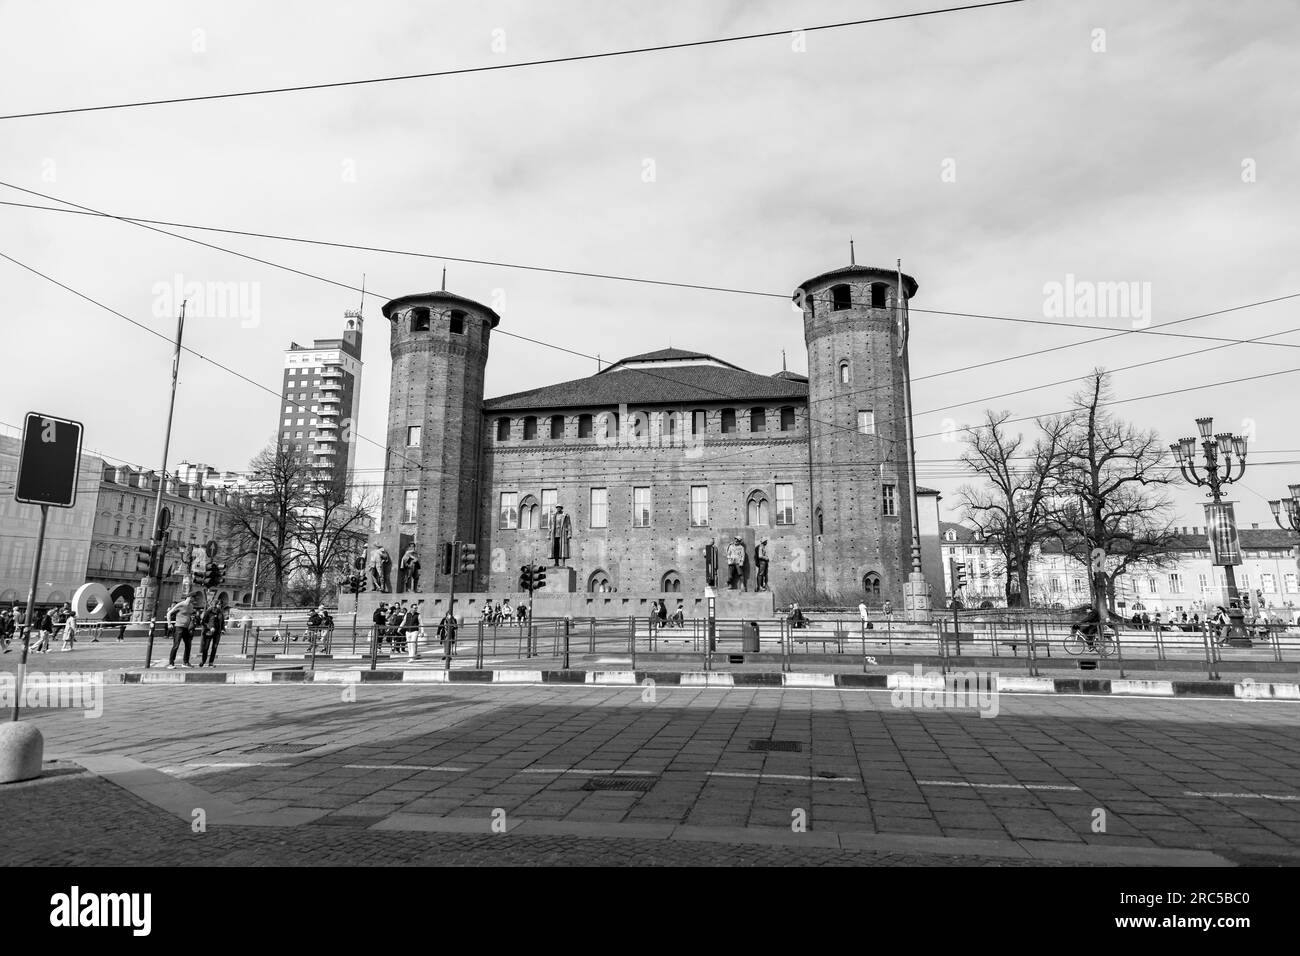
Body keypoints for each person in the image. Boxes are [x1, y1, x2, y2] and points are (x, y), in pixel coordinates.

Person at [165, 595, 197, 669]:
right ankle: (171, 663)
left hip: (187, 628)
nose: (194, 599)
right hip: (179, 627)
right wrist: (169, 623)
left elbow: (191, 615)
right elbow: (169, 613)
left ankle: (185, 662)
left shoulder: (191, 606)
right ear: (190, 597)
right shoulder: (181, 604)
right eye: (193, 597)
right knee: (176, 645)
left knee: (188, 645)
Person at [200, 598, 226, 667]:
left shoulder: (220, 612)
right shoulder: (209, 611)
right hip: (208, 632)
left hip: (217, 633)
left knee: (214, 647)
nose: (220, 606)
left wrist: (223, 629)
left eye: (221, 604)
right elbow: (203, 622)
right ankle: (203, 661)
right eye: (219, 604)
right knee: (206, 647)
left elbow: (222, 622)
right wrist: (210, 627)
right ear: (215, 604)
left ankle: (211, 662)